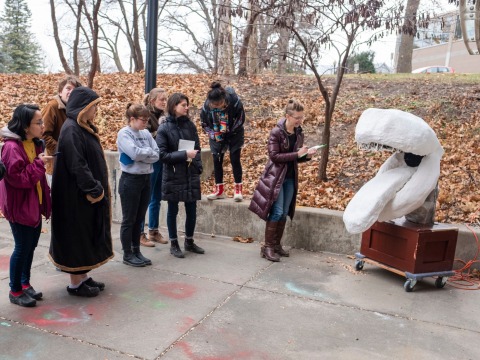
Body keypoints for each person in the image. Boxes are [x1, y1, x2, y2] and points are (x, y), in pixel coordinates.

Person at [49, 86, 113, 297]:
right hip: (75, 197)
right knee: (76, 236)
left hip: (82, 198)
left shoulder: (79, 127)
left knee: (84, 235)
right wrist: (93, 189)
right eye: (94, 107)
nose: (96, 111)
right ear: (84, 108)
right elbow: (78, 165)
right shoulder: (71, 130)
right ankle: (75, 283)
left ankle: (83, 276)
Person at [249, 100, 316, 262]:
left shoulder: (299, 132)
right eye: (297, 117)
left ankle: (276, 245)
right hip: (276, 178)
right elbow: (275, 156)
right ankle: (267, 247)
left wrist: (306, 156)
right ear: (288, 116)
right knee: (277, 211)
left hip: (290, 177)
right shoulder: (276, 133)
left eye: (301, 117)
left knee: (284, 212)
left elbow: (295, 159)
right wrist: (297, 154)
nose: (299, 120)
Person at [0, 104, 52, 307]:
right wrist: (39, 164)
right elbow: (19, 179)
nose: (43, 125)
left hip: (34, 203)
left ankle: (25, 284)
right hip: (19, 206)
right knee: (22, 247)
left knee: (31, 246)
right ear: (25, 126)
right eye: (38, 122)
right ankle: (15, 290)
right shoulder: (12, 148)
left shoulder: (36, 143)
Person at [156, 93, 205, 258]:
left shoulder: (190, 125)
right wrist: (184, 155)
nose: (187, 107)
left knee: (192, 209)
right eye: (183, 104)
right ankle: (174, 243)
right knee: (173, 209)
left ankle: (189, 241)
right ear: (174, 106)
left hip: (190, 173)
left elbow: (197, 148)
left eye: (187, 104)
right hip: (174, 174)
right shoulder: (164, 128)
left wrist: (198, 167)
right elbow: (162, 156)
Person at [117, 103, 159, 266]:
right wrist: (145, 153)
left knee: (139, 218)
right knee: (129, 218)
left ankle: (136, 250)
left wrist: (143, 154)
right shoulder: (124, 133)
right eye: (143, 120)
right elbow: (133, 153)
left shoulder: (146, 133)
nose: (146, 123)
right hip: (130, 179)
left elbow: (156, 154)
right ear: (132, 119)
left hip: (145, 178)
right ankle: (127, 254)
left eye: (147, 120)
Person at [200, 81, 245, 201]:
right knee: (216, 159)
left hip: (234, 132)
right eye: (214, 105)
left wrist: (230, 131)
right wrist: (213, 134)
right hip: (216, 133)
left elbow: (241, 118)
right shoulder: (206, 107)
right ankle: (219, 190)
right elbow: (204, 123)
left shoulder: (234, 100)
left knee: (235, 158)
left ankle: (238, 189)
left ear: (224, 99)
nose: (218, 107)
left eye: (220, 104)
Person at [139, 88, 168, 247]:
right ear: (152, 101)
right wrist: (161, 129)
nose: (164, 102)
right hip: (149, 161)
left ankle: (154, 230)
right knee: (146, 197)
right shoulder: (146, 115)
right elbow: (144, 137)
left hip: (161, 159)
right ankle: (140, 233)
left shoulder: (164, 115)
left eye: (165, 99)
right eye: (161, 99)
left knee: (156, 196)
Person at [41, 76, 82, 181]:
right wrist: (62, 151)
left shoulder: (77, 110)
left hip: (74, 165)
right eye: (68, 88)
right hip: (56, 165)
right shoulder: (52, 107)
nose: (71, 92)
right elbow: (44, 135)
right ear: (60, 92)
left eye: (74, 90)